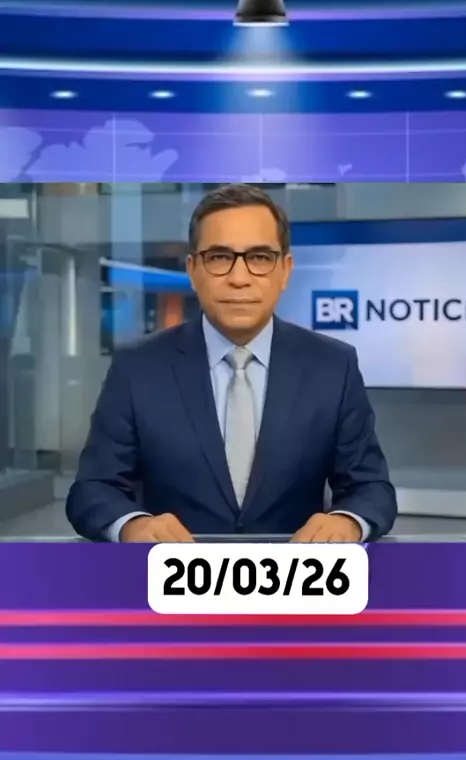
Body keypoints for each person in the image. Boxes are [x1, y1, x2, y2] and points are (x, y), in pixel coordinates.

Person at [66, 184, 397, 543]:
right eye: (219, 257)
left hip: (294, 576)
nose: (239, 279)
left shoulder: (333, 366)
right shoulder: (137, 368)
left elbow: (371, 487)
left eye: (260, 258)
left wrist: (348, 521)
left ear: (285, 270)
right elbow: (93, 489)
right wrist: (133, 525)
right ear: (193, 270)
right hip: (171, 576)